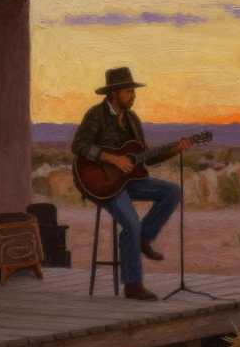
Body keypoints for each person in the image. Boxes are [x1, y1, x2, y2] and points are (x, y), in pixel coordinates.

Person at [71, 67, 193, 301]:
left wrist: (174, 150)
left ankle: (143, 239)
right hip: (101, 183)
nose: (133, 95)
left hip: (129, 180)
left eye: (133, 92)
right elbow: (79, 146)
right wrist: (111, 158)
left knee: (172, 191)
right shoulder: (96, 115)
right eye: (129, 91)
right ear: (115, 93)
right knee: (131, 224)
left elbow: (143, 155)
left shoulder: (132, 119)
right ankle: (133, 285)